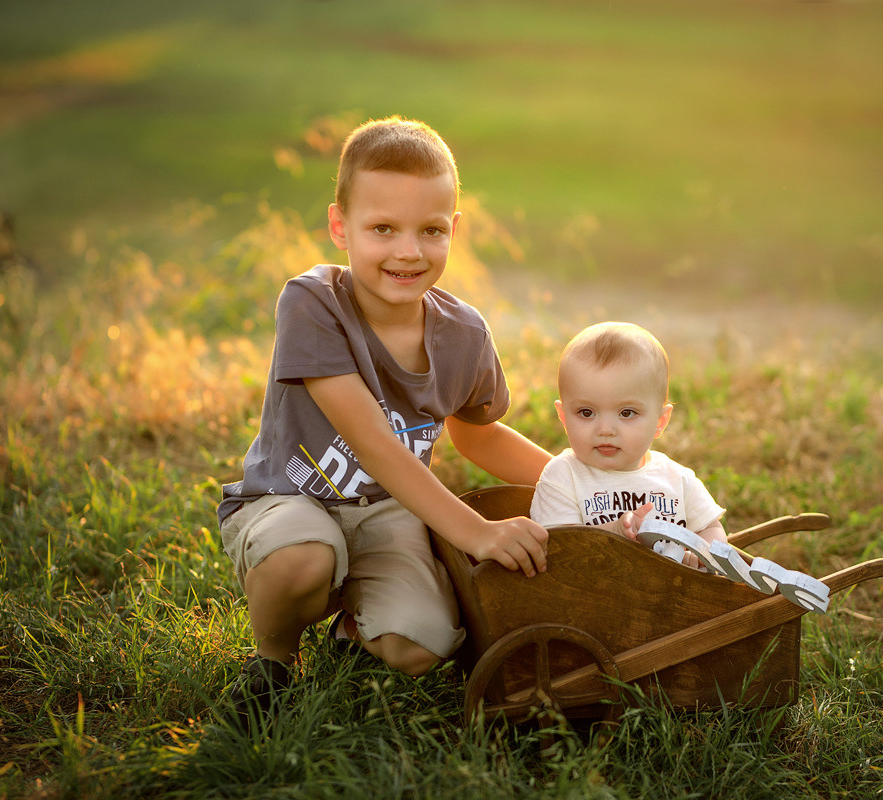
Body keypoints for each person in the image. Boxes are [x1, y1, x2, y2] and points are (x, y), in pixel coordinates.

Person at [217, 115, 551, 725]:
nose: (408, 251)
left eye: (430, 231)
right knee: (304, 560)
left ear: (455, 230)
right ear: (340, 227)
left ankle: (353, 618)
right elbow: (371, 441)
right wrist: (475, 532)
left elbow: (475, 432)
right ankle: (273, 660)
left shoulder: (464, 333)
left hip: (386, 509)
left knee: (420, 645)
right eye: (382, 229)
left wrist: (571, 480)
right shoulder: (312, 303)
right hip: (289, 497)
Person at [529, 322, 727, 561]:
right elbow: (561, 547)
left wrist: (704, 553)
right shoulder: (562, 476)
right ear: (563, 417)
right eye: (586, 412)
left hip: (675, 593)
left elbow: (711, 528)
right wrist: (613, 532)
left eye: (626, 413)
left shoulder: (678, 479)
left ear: (660, 421)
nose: (605, 430)